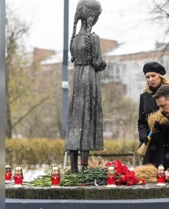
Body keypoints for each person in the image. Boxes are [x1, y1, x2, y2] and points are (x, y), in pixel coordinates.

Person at [65, 0, 106, 173]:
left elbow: (75, 60)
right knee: (87, 120)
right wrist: (103, 63)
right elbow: (98, 62)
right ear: (92, 16)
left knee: (76, 121)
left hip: (77, 80)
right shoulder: (93, 38)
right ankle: (84, 168)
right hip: (89, 81)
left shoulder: (74, 39)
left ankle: (73, 167)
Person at [137, 62, 169, 169]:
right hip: (153, 146)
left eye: (153, 76)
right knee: (151, 178)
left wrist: (166, 126)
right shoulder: (144, 96)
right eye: (147, 77)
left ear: (160, 76)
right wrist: (143, 134)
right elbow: (142, 121)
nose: (150, 79)